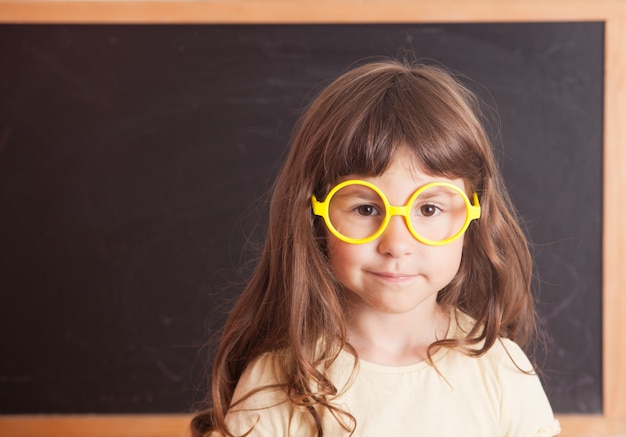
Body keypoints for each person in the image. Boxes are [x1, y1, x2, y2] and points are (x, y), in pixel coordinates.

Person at [191, 59, 561, 436]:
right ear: (315, 215)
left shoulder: (500, 372)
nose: (397, 244)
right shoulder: (276, 384)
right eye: (366, 209)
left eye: (429, 209)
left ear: (472, 216)